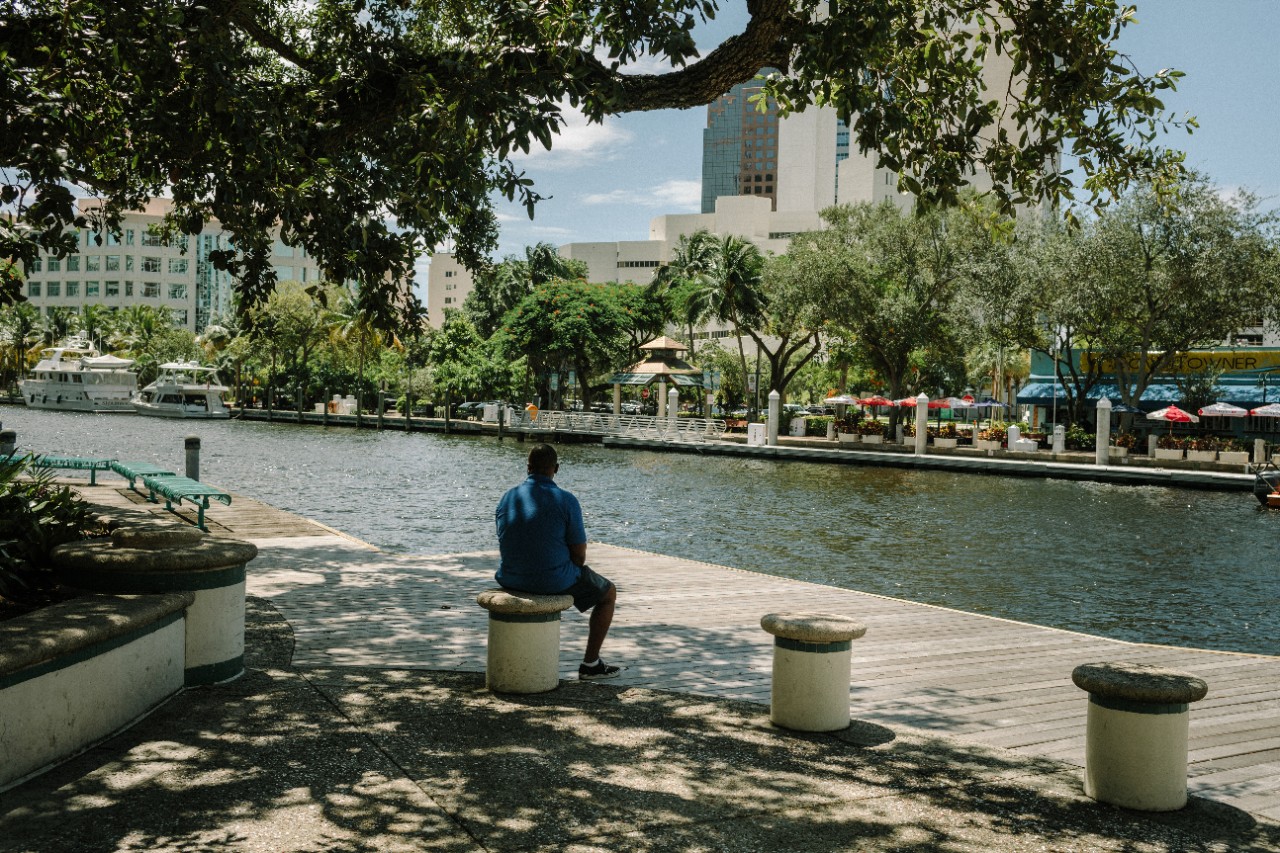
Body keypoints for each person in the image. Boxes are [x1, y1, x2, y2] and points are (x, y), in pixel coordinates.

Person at [495, 444, 620, 680]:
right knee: (608, 593)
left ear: (528, 467)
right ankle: (590, 664)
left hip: (510, 576)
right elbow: (579, 556)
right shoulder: (566, 500)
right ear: (557, 469)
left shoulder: (507, 497)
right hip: (549, 579)